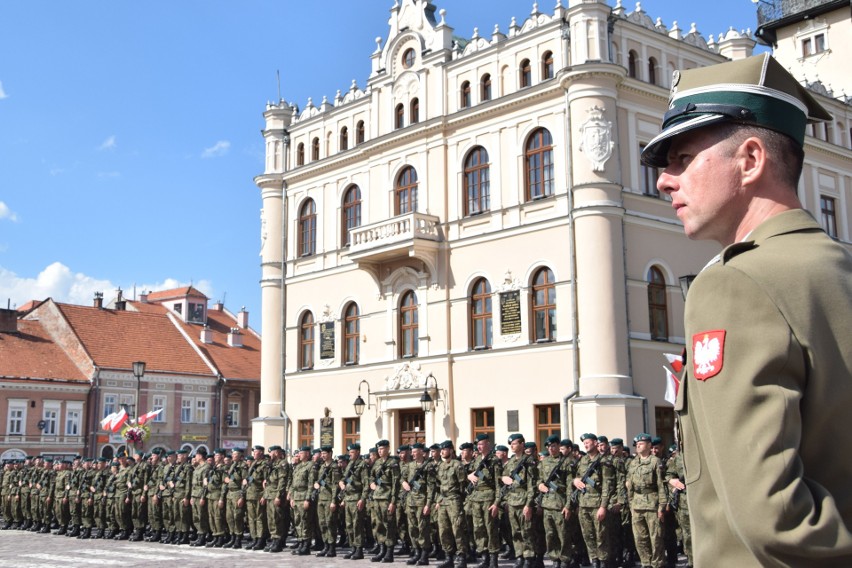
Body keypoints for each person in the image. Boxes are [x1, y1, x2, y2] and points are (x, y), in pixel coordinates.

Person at [641, 52, 852, 565]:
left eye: (682, 159)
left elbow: (775, 520)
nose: (664, 181)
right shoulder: (838, 267)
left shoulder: (735, 283)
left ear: (751, 159)